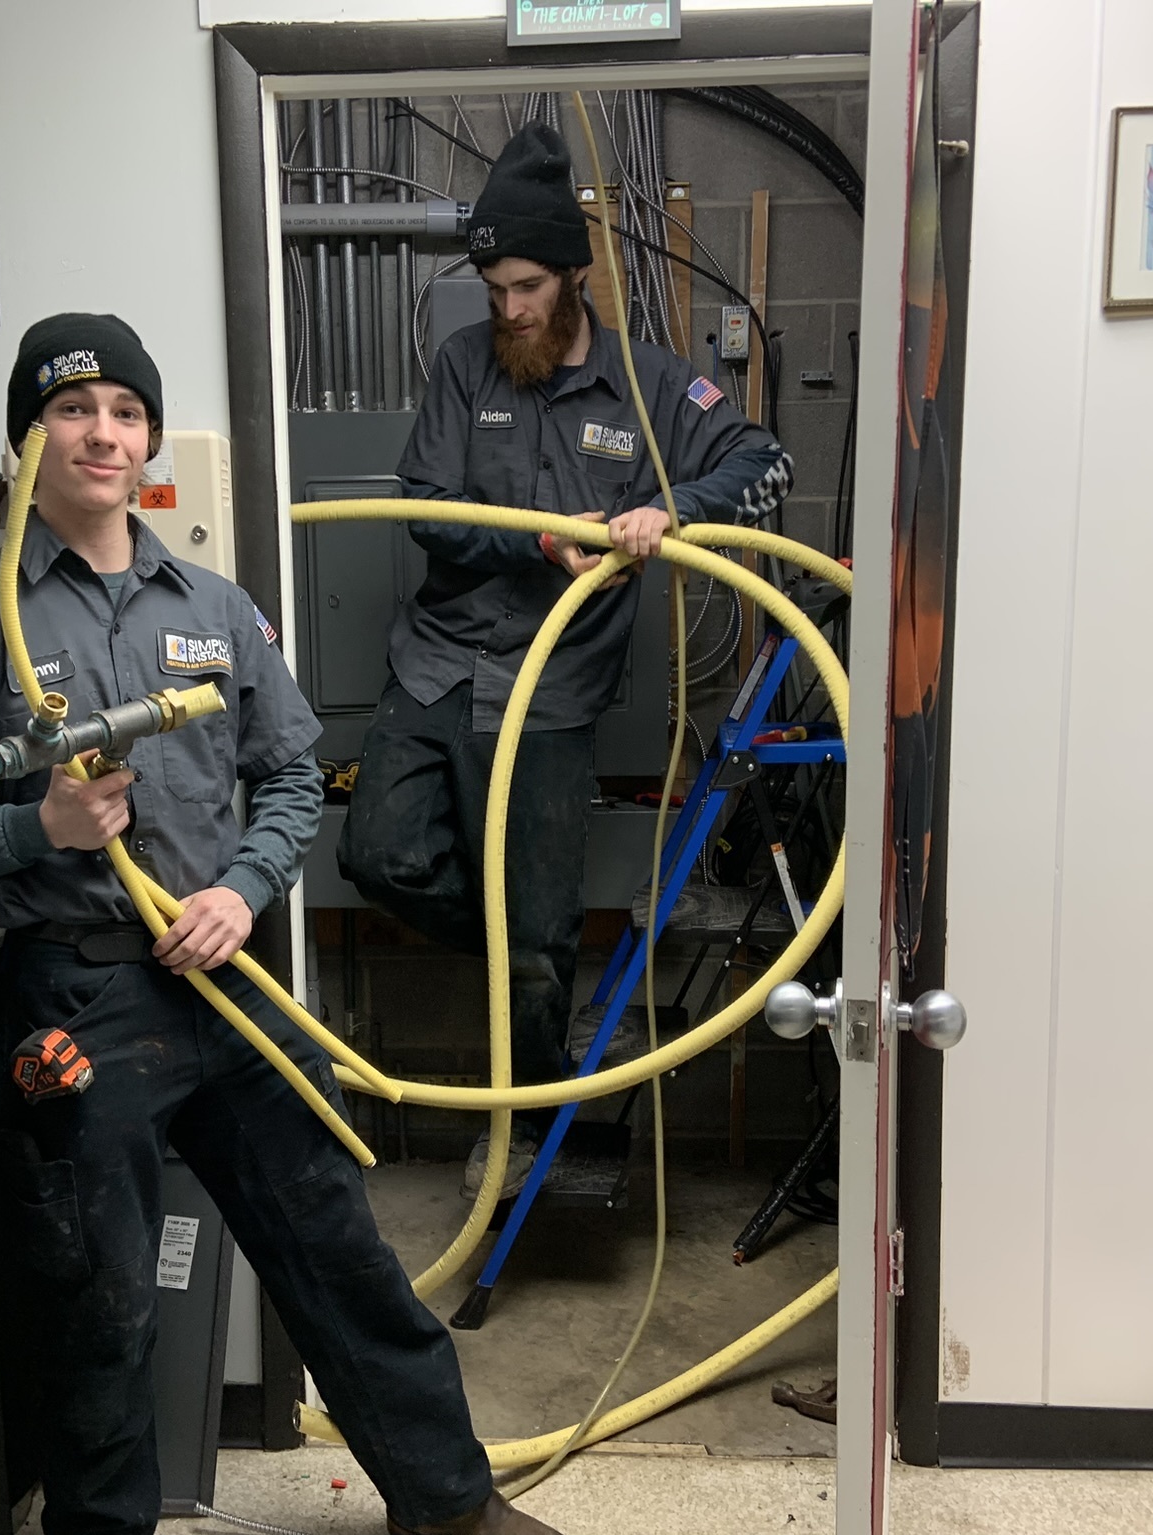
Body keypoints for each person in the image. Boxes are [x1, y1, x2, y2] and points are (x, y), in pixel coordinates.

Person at [0, 313, 560, 1535]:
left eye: (125, 412)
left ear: (147, 443)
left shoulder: (218, 609)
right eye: (73, 410)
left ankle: (450, 1505)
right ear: (29, 439)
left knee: (337, 1250)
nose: (102, 432)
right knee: (100, 1302)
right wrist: (41, 831)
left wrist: (244, 888)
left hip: (228, 987)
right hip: (73, 998)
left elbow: (293, 773)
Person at [339, 124, 794, 1197]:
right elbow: (427, 514)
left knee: (544, 939)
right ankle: (520, 961)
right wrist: (538, 534)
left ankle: (523, 1130)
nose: (509, 310)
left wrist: (666, 513)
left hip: (550, 698)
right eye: (495, 286)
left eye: (529, 285)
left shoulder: (648, 386)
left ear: (576, 275)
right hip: (439, 670)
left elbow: (762, 461)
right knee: (381, 855)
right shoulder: (462, 367)